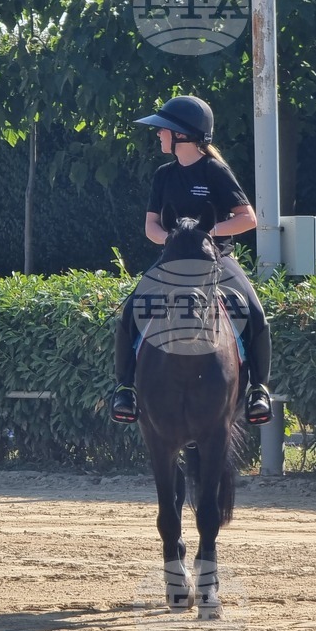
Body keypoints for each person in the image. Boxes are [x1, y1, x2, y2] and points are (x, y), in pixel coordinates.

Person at [110, 95, 272, 425]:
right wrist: (173, 240)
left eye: (163, 130)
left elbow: (248, 218)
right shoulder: (163, 175)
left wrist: (203, 237)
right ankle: (125, 389)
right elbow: (150, 226)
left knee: (254, 312)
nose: (158, 134)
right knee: (130, 311)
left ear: (183, 135)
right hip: (172, 259)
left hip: (216, 258)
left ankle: (258, 390)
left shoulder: (215, 170)